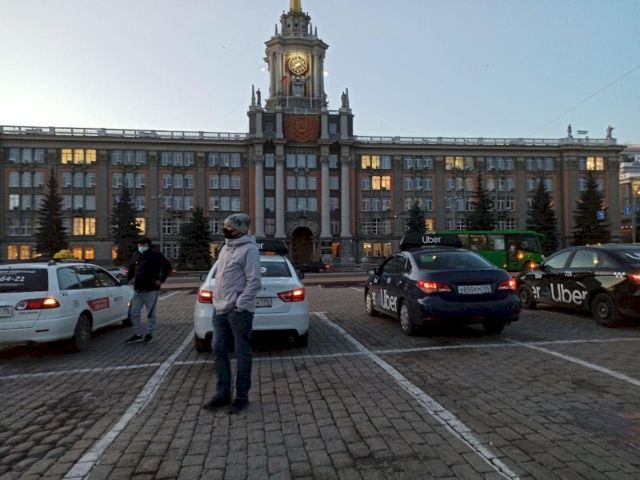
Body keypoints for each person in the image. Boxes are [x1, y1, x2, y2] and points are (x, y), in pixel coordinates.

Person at [203, 213, 261, 414]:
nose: (225, 230)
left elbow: (254, 281)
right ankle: (223, 394)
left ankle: (241, 397)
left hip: (238, 311)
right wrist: (216, 298)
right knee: (218, 349)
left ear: (241, 229)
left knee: (242, 353)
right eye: (225, 226)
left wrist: (240, 303)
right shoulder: (225, 248)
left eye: (230, 227)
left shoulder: (250, 249)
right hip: (219, 309)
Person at [125, 237, 172, 345]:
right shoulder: (136, 255)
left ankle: (149, 334)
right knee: (134, 313)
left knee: (151, 314)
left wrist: (161, 280)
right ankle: (138, 334)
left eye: (143, 245)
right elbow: (131, 268)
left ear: (148, 245)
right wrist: (130, 279)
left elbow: (167, 267)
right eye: (139, 245)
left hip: (151, 290)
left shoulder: (156, 255)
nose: (141, 247)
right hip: (137, 290)